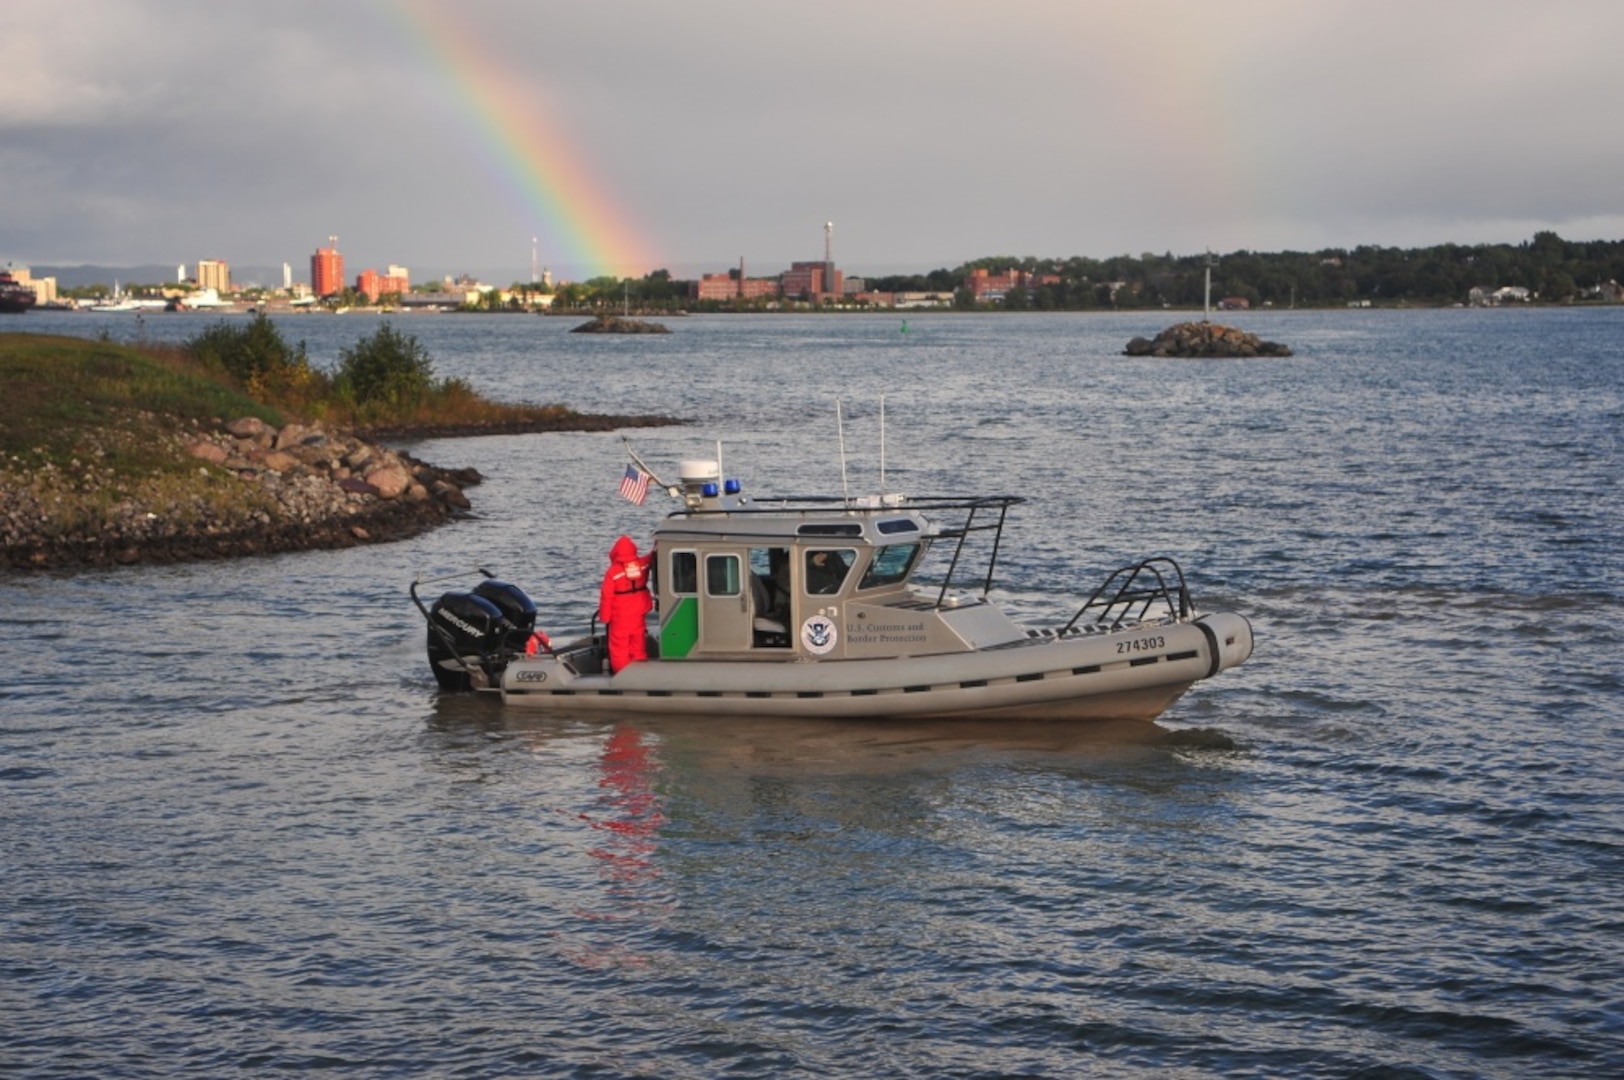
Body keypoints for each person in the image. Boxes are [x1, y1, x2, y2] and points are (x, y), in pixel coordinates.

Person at [598, 535, 652, 673]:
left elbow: (606, 595)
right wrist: (656, 549)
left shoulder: (613, 572)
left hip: (620, 616)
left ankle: (622, 675)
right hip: (638, 614)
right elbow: (650, 558)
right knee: (638, 645)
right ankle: (640, 673)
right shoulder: (642, 565)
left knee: (619, 648)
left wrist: (605, 617)